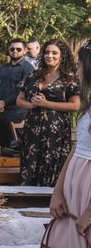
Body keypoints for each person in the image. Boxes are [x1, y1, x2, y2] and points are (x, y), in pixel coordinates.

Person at [24, 40, 91, 248]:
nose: (76, 70)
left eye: (80, 65)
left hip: (90, 200)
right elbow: (75, 151)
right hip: (73, 190)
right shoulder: (90, 106)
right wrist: (59, 191)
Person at [17, 39, 80, 186]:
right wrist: (32, 105)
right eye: (46, 52)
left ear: (62, 56)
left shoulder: (69, 78)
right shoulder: (33, 75)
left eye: (54, 53)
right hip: (32, 129)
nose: (49, 55)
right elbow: (19, 100)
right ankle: (26, 203)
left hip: (55, 133)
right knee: (30, 165)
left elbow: (75, 106)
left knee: (51, 166)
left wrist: (46, 104)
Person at [0, 39, 35, 148]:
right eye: (12, 49)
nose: (15, 51)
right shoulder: (3, 67)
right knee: (3, 148)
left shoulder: (28, 69)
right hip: (0, 113)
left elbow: (23, 91)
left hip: (17, 115)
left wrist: (4, 102)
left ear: (25, 50)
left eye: (18, 49)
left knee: (15, 150)